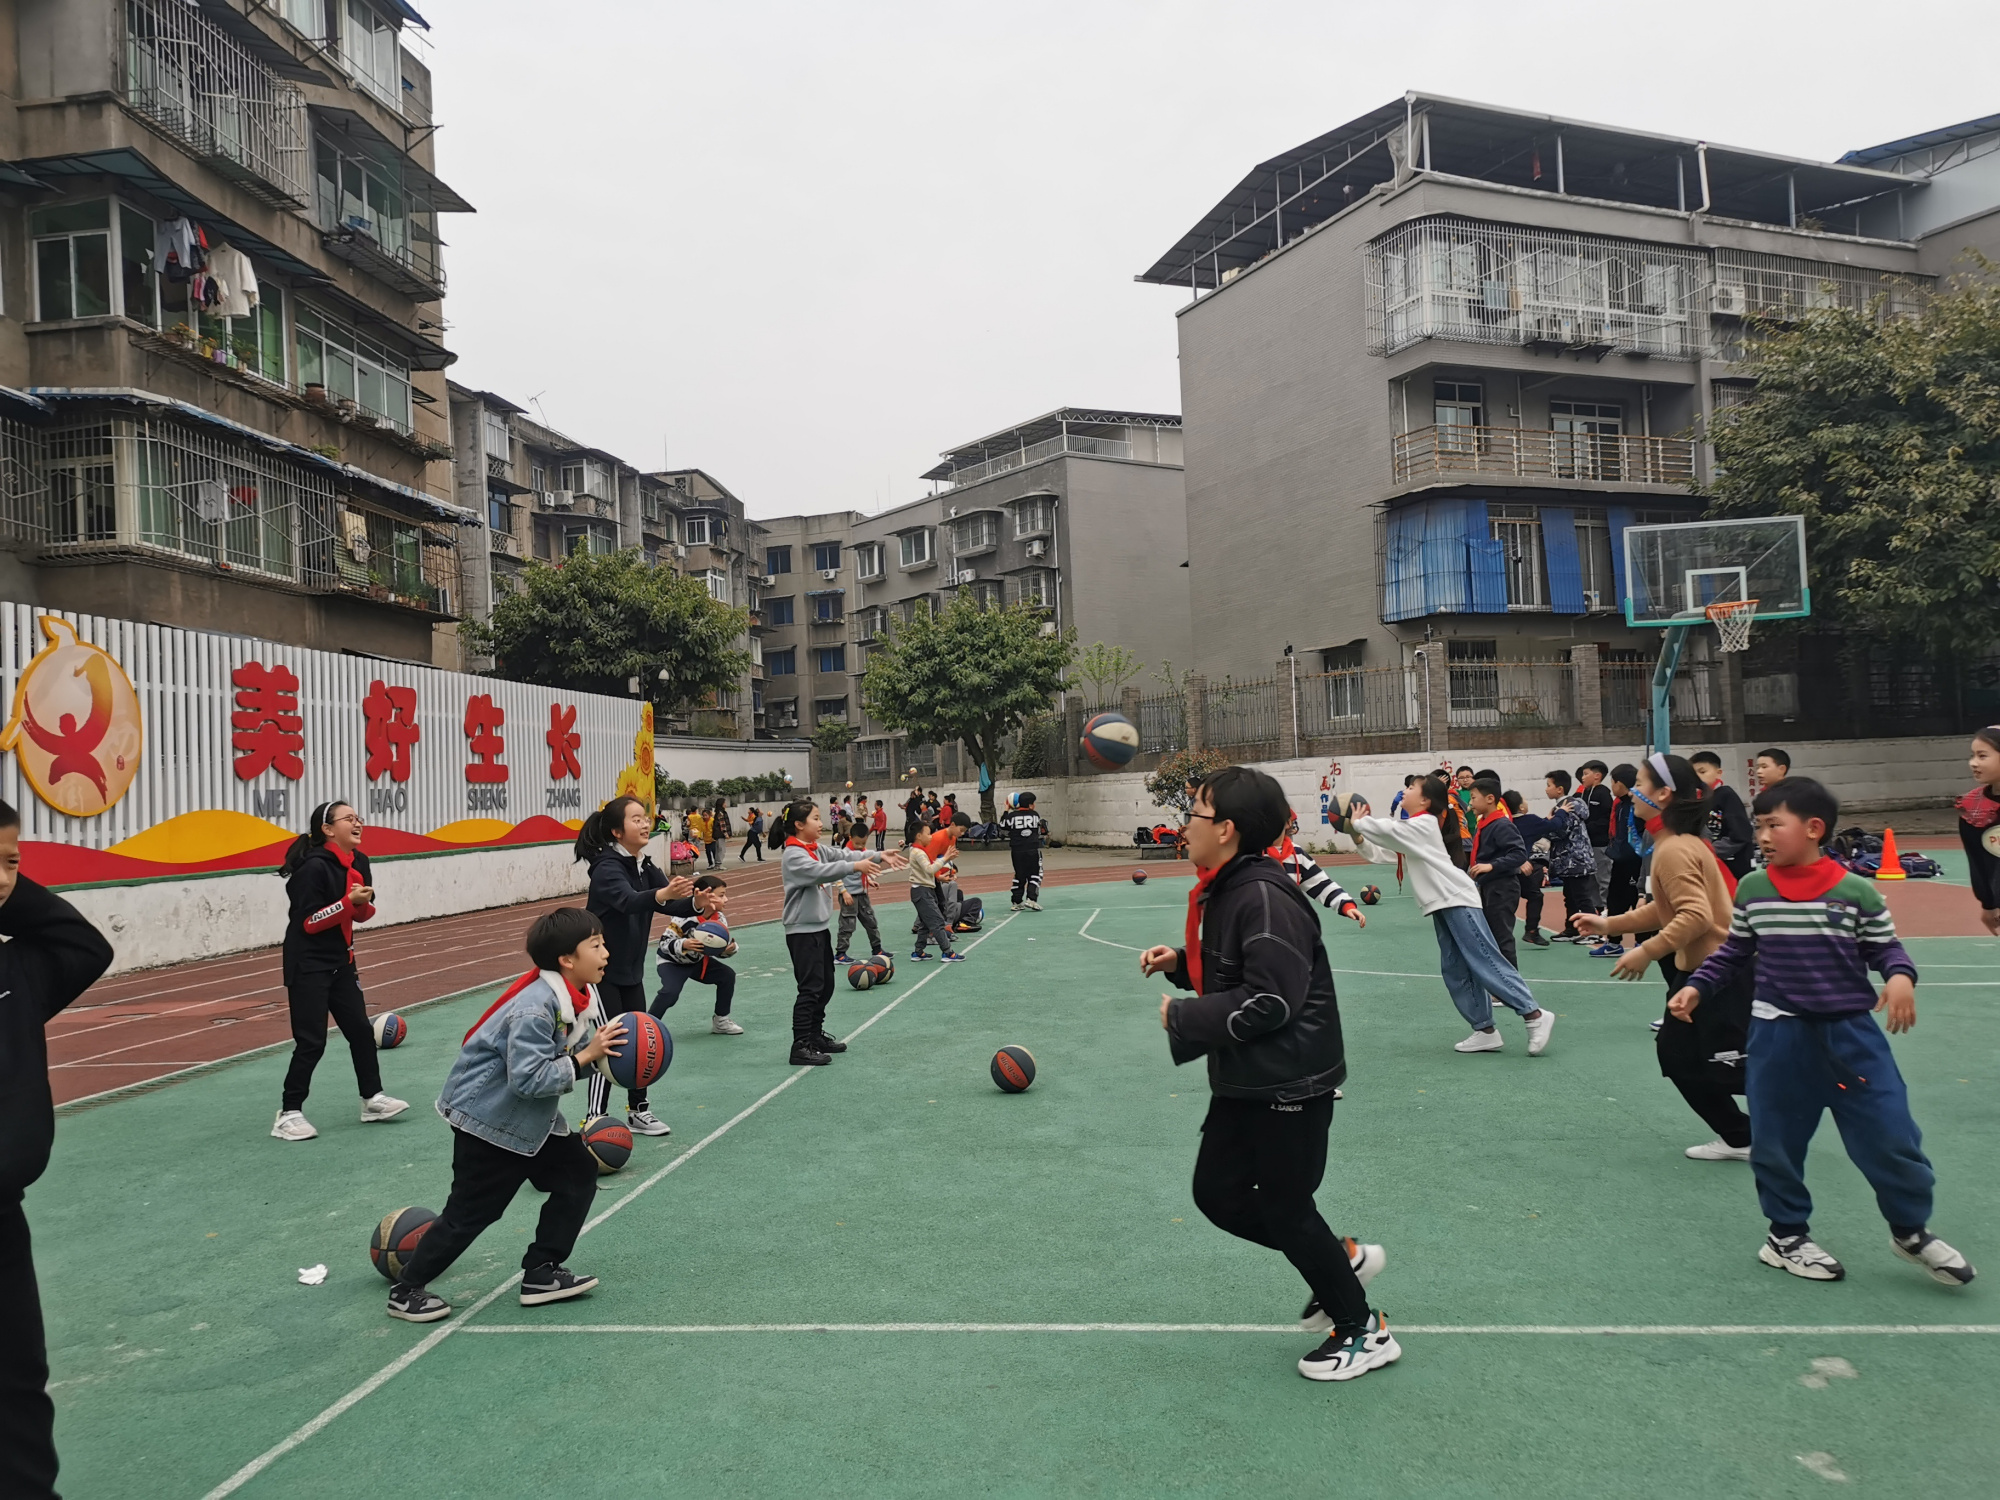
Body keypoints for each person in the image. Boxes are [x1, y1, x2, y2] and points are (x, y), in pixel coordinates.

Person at [1138, 765, 1394, 1384]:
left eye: (1195, 813)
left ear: (1225, 829)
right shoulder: (1230, 886)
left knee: (1284, 1208)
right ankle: (1337, 1260)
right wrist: (1181, 966)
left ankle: (1362, 1330)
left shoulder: (1261, 894)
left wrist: (1187, 1016)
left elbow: (1271, 1001)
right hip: (1252, 1076)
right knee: (1218, 1195)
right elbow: (1240, 972)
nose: (1186, 826)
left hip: (1290, 1082)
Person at [1672, 777, 1975, 1287]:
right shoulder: (1754, 888)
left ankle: (1910, 1231)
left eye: (1774, 824)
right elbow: (1734, 951)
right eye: (1760, 824)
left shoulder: (1855, 890)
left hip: (1851, 1036)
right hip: (1777, 1036)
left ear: (1814, 829)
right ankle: (1786, 1236)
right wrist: (1697, 987)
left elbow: (1887, 950)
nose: (1763, 835)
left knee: (1892, 1136)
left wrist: (1900, 979)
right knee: (1777, 1143)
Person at [385, 908, 621, 1323]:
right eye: (596, 945)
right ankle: (406, 1290)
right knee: (472, 1213)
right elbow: (529, 1079)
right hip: (489, 1123)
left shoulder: (576, 995)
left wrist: (604, 1061)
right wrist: (586, 1058)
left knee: (578, 1174)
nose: (606, 951)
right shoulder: (535, 1007)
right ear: (567, 959)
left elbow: (550, 1068)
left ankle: (541, 1272)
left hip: (529, 1120)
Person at [0, 800, 114, 1498]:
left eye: (10, 861)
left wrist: (14, 892)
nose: (2, 878)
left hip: (2, 1217)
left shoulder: (18, 970)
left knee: (18, 1376)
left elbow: (86, 948)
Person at [1577, 754, 1752, 1161]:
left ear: (1663, 794)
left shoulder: (1674, 849)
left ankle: (1753, 1133)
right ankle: (1744, 1134)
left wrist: (1645, 950)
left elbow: (1695, 916)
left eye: (1640, 782)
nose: (1632, 791)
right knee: (1689, 1056)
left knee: (1724, 1061)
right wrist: (1610, 925)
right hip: (1708, 972)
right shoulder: (1677, 844)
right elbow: (1667, 909)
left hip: (1716, 974)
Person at [1351, 778, 1554, 1055]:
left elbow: (1389, 830)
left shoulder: (1424, 824)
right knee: (1455, 969)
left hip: (1457, 899)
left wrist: (1359, 822)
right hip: (1443, 903)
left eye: (1410, 789)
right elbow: (1383, 852)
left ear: (1425, 800)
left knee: (1484, 958)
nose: (1404, 791)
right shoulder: (1415, 830)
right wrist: (1358, 836)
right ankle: (1485, 1030)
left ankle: (1534, 1015)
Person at [273, 800, 407, 1141]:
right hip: (308, 964)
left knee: (361, 1032)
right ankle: (288, 1113)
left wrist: (359, 905)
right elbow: (310, 921)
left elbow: (359, 914)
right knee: (311, 1041)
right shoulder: (312, 868)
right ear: (328, 829)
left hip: (342, 962)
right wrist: (349, 903)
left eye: (358, 818)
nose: (357, 823)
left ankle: (372, 1099)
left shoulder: (359, 862)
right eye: (348, 819)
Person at [577, 795, 693, 1137]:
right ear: (616, 831)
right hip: (600, 973)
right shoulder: (607, 867)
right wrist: (664, 895)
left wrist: (698, 902)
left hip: (630, 971)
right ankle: (595, 1118)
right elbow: (629, 902)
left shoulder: (643, 864)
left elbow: (670, 902)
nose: (644, 823)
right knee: (609, 1043)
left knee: (640, 1040)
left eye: (645, 818)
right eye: (636, 819)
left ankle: (638, 1110)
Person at [773, 799, 901, 1065]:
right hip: (801, 932)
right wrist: (856, 867)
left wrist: (877, 855)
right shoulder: (794, 854)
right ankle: (800, 1045)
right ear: (798, 824)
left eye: (821, 818)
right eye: (816, 819)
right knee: (810, 988)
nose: (821, 823)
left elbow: (844, 854)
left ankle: (815, 1034)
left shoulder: (814, 848)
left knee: (826, 985)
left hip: (819, 928)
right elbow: (822, 872)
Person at [653, 874, 742, 1035]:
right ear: (704, 895)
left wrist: (727, 950)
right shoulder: (684, 917)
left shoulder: (719, 919)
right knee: (670, 993)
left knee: (727, 976)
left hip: (697, 962)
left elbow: (713, 950)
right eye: (721, 895)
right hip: (672, 963)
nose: (726, 900)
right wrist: (683, 944)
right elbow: (664, 944)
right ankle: (648, 1025)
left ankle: (721, 1021)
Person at [1466, 776, 1528, 967]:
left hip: (1503, 887)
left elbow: (1519, 854)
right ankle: (1500, 985)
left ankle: (1511, 989)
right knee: (1491, 937)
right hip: (1489, 886)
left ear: (1490, 799)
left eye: (1474, 798)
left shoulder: (1501, 824)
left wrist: (1491, 865)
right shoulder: (1484, 823)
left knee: (1502, 938)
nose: (1471, 803)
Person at [1269, 811, 1365, 927]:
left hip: (1288, 926)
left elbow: (1322, 885)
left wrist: (1346, 905)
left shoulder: (1297, 855)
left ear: (1288, 823)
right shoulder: (1251, 854)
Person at [1593, 763, 1646, 957]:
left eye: (1613, 782)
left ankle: (1643, 942)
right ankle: (1614, 943)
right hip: (1620, 860)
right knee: (1615, 901)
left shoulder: (1639, 803)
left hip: (1636, 861)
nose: (1611, 786)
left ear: (1620, 784)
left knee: (1637, 902)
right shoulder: (1621, 804)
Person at [1543, 770, 1600, 942]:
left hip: (1576, 859)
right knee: (1571, 897)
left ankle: (1594, 931)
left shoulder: (1568, 807)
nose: (1546, 789)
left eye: (1549, 786)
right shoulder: (1562, 806)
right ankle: (1572, 929)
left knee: (1582, 897)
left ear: (1559, 789)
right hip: (1567, 860)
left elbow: (1561, 831)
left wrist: (1546, 824)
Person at [908, 813, 967, 961]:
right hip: (922, 890)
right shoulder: (919, 852)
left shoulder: (919, 850)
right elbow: (930, 869)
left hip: (926, 888)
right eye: (928, 834)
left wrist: (946, 872)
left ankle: (918, 951)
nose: (931, 837)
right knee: (937, 921)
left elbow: (931, 869)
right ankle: (947, 952)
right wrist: (946, 858)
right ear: (919, 836)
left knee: (924, 922)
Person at [1689, 751, 1756, 878]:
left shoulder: (1726, 795)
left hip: (1733, 867)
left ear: (1718, 773)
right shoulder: (1697, 800)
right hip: (1709, 864)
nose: (1697, 777)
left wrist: (1709, 851)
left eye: (1702, 772)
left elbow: (1740, 834)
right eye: (1693, 774)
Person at [1961, 727, 2000, 936]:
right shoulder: (1973, 808)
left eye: (1982, 756)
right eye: (1973, 755)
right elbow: (1977, 861)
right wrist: (1988, 904)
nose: (1973, 763)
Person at [1503, 789, 1554, 947]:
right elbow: (1554, 825)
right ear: (1521, 807)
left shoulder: (1503, 822)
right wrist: (1562, 813)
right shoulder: (1530, 820)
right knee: (1535, 896)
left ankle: (1496, 934)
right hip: (1519, 867)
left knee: (1505, 902)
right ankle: (1531, 931)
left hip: (1504, 867)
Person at [832, 829, 886, 962]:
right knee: (847, 924)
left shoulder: (863, 852)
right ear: (850, 837)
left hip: (862, 893)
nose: (860, 846)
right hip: (849, 894)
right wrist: (843, 892)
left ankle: (877, 948)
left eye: (863, 843)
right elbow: (837, 874)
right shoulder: (844, 853)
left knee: (871, 921)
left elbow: (861, 871)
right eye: (857, 843)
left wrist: (869, 881)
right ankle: (840, 953)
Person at [1002, 791, 1049, 911]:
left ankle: (1016, 901)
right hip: (1032, 850)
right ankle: (1031, 899)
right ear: (1030, 805)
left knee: (1019, 874)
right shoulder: (1035, 815)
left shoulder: (1011, 817)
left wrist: (1006, 810)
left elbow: (1002, 825)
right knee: (1035, 874)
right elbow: (1042, 830)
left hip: (1017, 851)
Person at [1577, 759, 1614, 911]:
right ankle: (1596, 907)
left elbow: (1606, 818)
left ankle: (1607, 908)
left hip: (1600, 844)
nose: (1583, 778)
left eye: (1586, 774)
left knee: (1603, 878)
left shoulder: (1603, 794)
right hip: (1587, 846)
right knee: (1590, 880)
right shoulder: (1583, 794)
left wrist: (1587, 827)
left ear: (1597, 776)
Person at [709, 802, 732, 869]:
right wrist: (726, 834)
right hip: (720, 834)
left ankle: (717, 864)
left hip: (718, 833)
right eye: (724, 803)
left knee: (718, 849)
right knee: (721, 849)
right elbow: (722, 825)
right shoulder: (721, 813)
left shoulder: (718, 812)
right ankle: (719, 864)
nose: (725, 804)